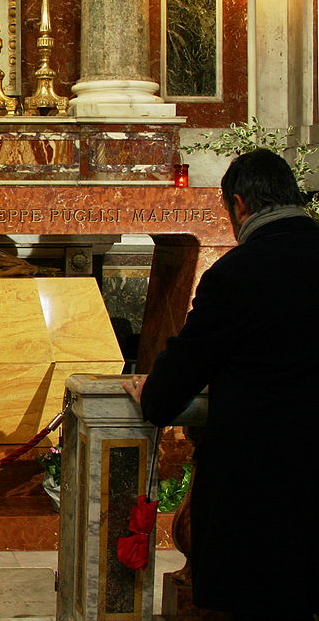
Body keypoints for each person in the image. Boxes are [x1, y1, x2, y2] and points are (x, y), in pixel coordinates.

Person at [123, 148, 319, 620]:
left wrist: (150, 392)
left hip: (261, 487)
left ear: (238, 205)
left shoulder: (237, 274)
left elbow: (178, 378)